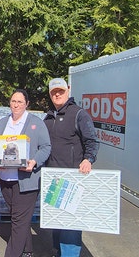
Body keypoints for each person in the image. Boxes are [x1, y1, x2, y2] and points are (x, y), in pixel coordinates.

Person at [0, 89, 51, 257]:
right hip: (6, 180)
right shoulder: (3, 123)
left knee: (18, 222)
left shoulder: (36, 123)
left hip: (27, 181)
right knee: (19, 219)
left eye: (20, 102)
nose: (15, 105)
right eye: (13, 101)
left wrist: (34, 161)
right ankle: (27, 251)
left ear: (27, 104)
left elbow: (46, 147)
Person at [43, 77, 100, 257]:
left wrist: (88, 159)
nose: (57, 94)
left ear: (68, 90)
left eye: (60, 91)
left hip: (72, 178)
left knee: (71, 225)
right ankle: (57, 252)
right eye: (54, 92)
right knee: (57, 220)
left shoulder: (79, 114)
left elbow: (92, 140)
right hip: (54, 177)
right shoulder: (48, 116)